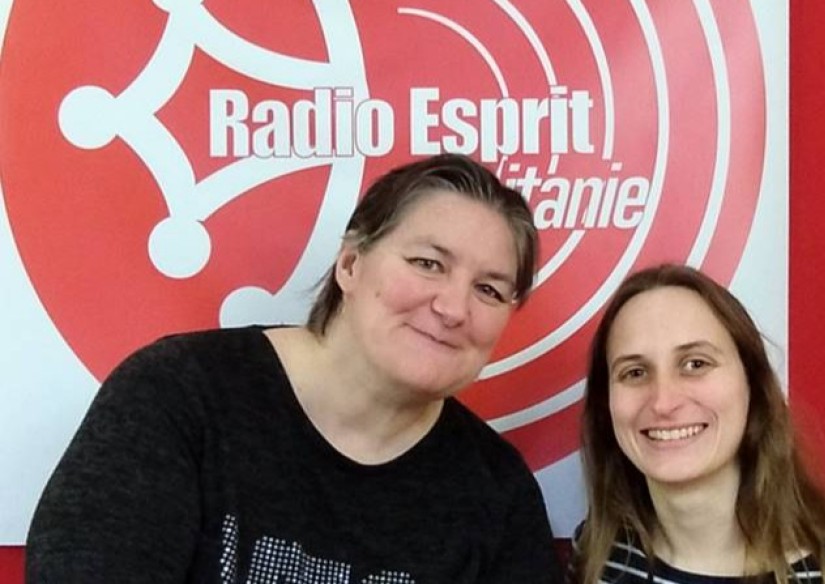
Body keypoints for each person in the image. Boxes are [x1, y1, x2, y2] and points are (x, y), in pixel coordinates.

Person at [26, 154, 564, 584]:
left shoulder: (499, 495)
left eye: (489, 290)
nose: (452, 308)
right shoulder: (179, 395)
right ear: (350, 264)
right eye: (427, 263)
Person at [568, 264, 825, 584]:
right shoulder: (599, 560)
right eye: (634, 372)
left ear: (752, 384)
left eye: (695, 364)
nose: (663, 402)